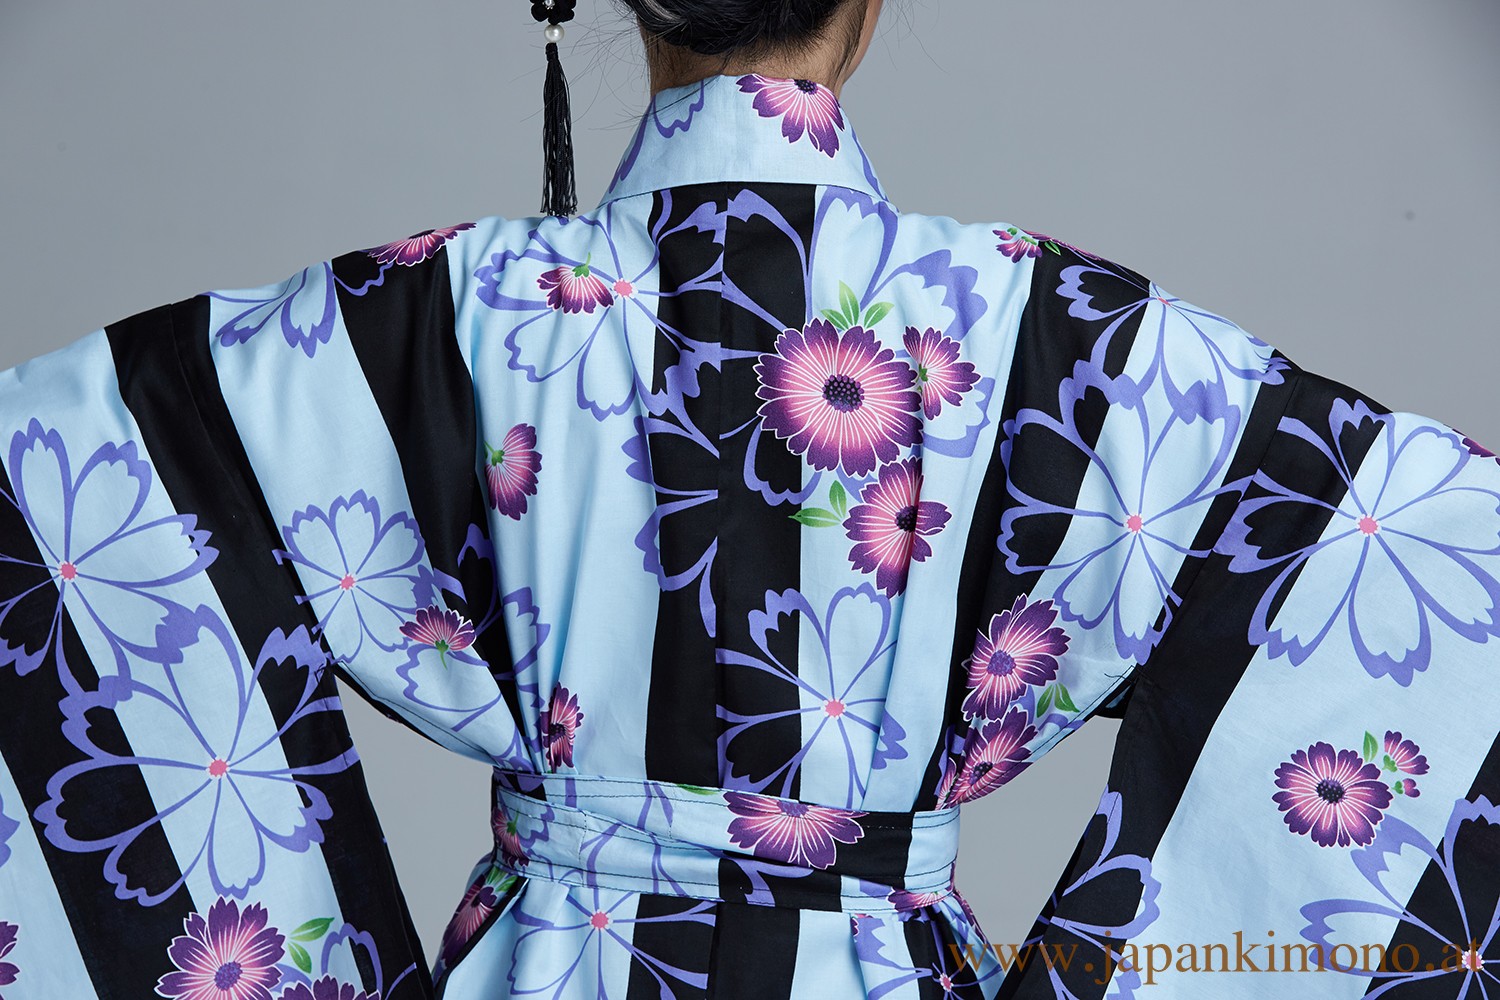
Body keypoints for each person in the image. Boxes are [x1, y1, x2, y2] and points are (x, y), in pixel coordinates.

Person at [0, 2, 1495, 998]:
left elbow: (68, 481)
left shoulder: (453, 313)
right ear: (868, 6)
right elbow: (1422, 552)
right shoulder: (1046, 330)